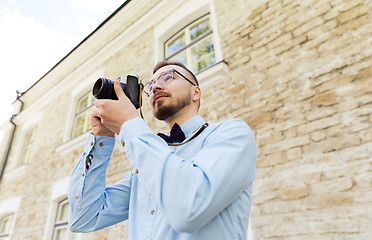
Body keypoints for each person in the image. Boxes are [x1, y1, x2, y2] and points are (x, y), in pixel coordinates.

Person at [68, 60, 256, 240]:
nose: (156, 87)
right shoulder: (143, 170)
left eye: (168, 78)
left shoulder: (232, 133)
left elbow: (189, 207)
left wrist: (129, 125)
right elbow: (83, 217)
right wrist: (102, 138)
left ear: (196, 92)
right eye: (150, 86)